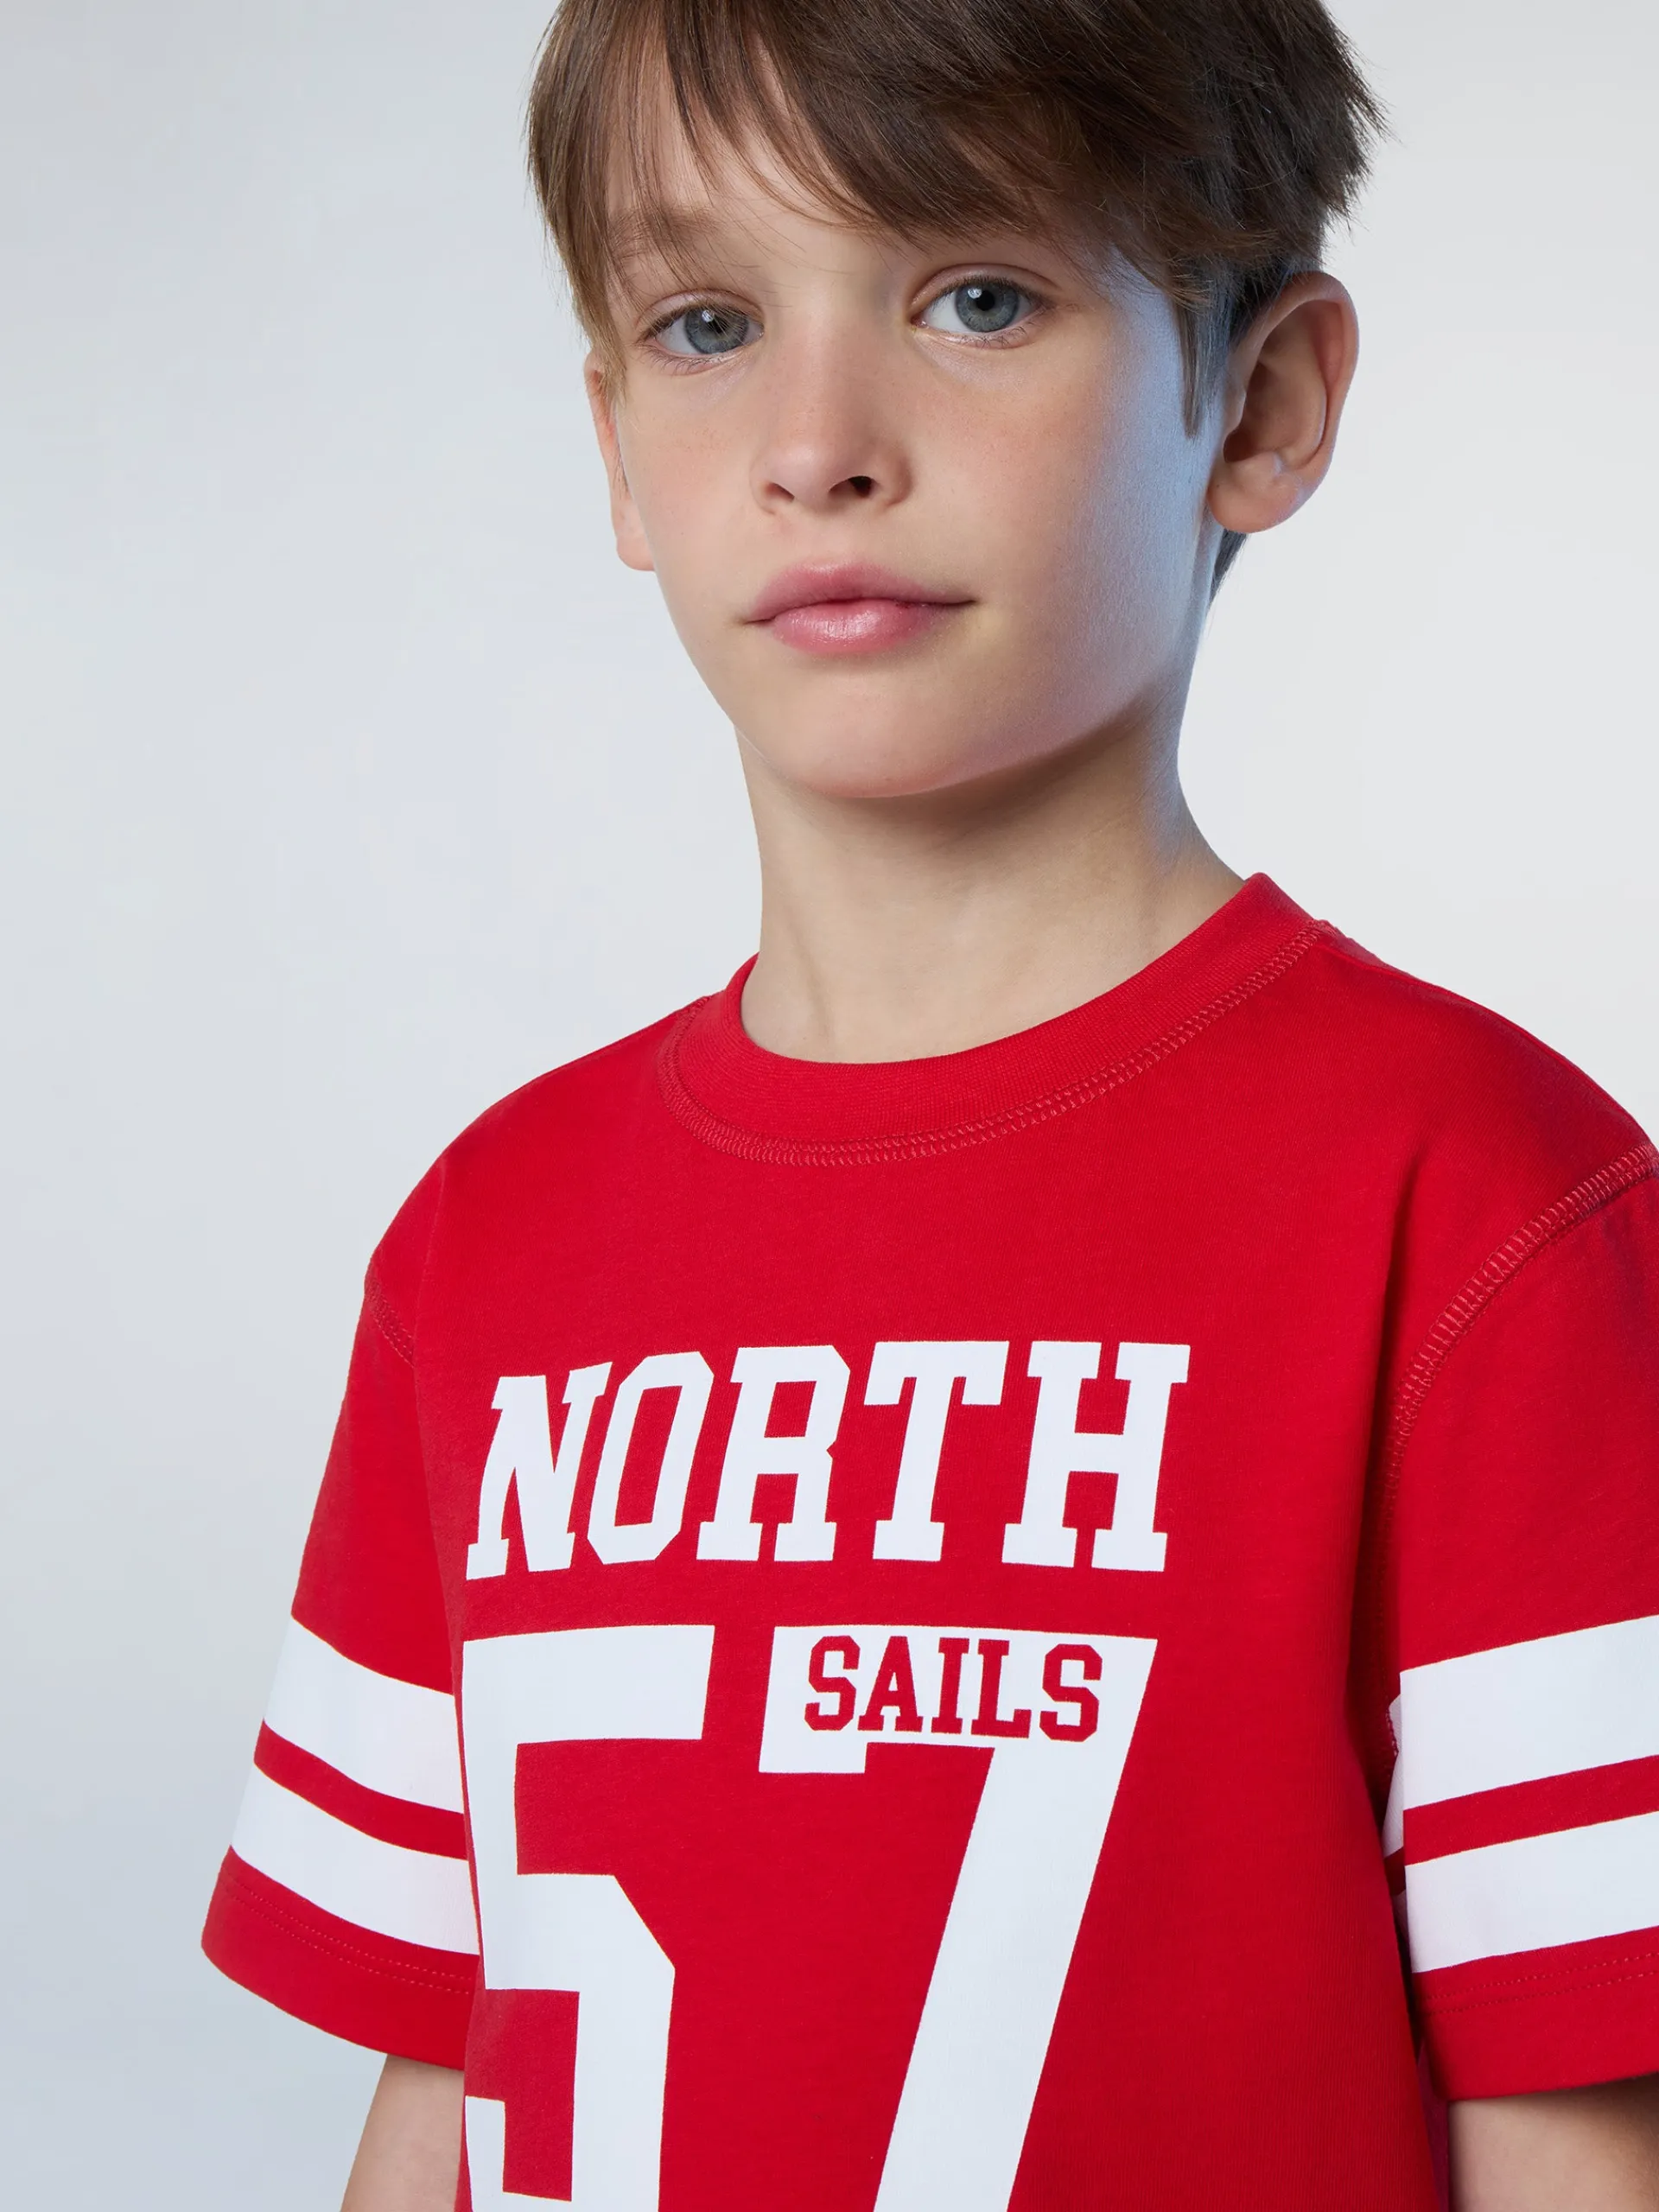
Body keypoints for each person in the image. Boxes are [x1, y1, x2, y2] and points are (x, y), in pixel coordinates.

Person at [201, 1, 1659, 2205]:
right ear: (617, 450)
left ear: (1262, 402)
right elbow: (446, 2078)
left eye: (977, 297)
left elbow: (1573, 2131)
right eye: (708, 323)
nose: (817, 445)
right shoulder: (485, 1245)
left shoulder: (1482, 1217)